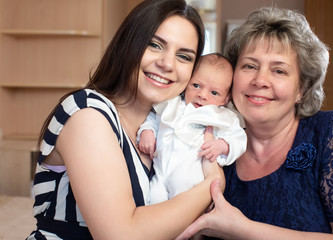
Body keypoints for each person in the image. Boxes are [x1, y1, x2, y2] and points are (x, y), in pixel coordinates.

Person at [26, 0, 224, 239]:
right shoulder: (88, 113)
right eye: (154, 45)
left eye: (184, 56)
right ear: (128, 44)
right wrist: (212, 184)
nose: (167, 64)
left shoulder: (164, 124)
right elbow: (121, 235)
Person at [176, 6, 333, 240]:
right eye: (249, 66)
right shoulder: (211, 144)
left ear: (301, 88)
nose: (260, 80)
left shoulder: (327, 133)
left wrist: (242, 229)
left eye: (279, 70)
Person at [137, 53, 246, 204]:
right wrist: (147, 132)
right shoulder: (172, 104)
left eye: (214, 93)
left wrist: (222, 145)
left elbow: (239, 140)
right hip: (161, 171)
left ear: (225, 99)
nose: (202, 95)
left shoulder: (223, 117)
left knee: (182, 197)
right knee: (153, 197)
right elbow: (153, 119)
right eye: (196, 85)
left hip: (190, 174)